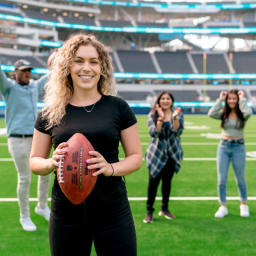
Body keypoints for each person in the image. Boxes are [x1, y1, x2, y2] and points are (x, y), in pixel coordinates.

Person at [29, 33, 142, 256]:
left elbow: (136, 157)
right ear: (67, 67)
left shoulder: (118, 107)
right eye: (78, 61)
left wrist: (110, 168)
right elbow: (34, 161)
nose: (86, 68)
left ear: (102, 68)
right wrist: (52, 162)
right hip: (66, 213)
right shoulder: (50, 112)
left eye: (93, 61)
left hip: (112, 210)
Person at [0, 58, 51, 231]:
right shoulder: (8, 88)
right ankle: (25, 216)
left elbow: (51, 75)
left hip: (36, 138)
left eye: (28, 70)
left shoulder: (34, 86)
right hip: (17, 139)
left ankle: (42, 206)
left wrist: (59, 58)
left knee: (46, 173)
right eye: (23, 70)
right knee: (24, 178)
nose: (27, 73)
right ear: (15, 73)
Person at [208, 89, 252, 218]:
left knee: (240, 178)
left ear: (237, 100)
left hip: (238, 147)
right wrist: (220, 100)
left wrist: (243, 99)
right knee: (222, 179)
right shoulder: (223, 113)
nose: (232, 101)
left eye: (234, 99)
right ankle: (223, 206)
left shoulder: (242, 113)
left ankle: (243, 204)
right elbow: (211, 113)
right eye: (229, 99)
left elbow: (248, 112)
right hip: (224, 147)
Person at [143, 91, 184, 223]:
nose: (165, 101)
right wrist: (160, 118)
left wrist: (175, 118)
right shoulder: (152, 114)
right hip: (156, 154)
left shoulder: (177, 113)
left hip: (172, 153)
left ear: (172, 101)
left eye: (168, 98)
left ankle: (164, 209)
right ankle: (149, 211)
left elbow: (177, 132)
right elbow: (154, 133)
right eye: (163, 98)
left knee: (167, 183)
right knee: (153, 184)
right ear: (159, 101)